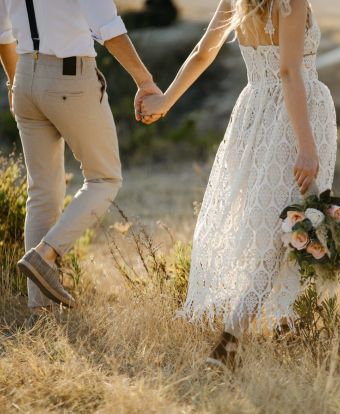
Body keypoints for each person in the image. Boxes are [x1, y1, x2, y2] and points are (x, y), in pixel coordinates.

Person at [140, 0, 337, 368]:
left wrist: (166, 101)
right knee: (289, 225)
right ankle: (232, 338)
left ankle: (287, 322)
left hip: (255, 113)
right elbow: (290, 71)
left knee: (282, 222)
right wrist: (307, 146)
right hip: (296, 116)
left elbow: (203, 53)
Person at [0, 0, 162, 318]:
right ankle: (45, 255)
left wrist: (12, 82)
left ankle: (41, 312)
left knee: (42, 193)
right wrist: (145, 81)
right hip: (69, 77)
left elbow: (3, 34)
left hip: (24, 78)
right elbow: (110, 29)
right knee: (105, 178)